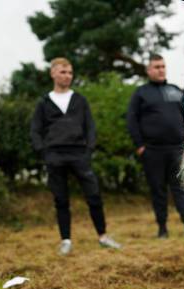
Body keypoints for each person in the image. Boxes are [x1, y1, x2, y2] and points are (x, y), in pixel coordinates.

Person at [30, 57, 121, 255]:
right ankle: (66, 241)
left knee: (94, 195)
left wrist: (88, 150)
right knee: (61, 200)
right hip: (55, 156)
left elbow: (90, 127)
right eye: (63, 72)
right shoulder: (44, 102)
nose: (67, 76)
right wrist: (44, 152)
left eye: (70, 72)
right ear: (53, 73)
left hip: (79, 154)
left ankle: (103, 237)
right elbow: (35, 131)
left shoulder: (79, 100)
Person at [126, 54, 184, 239]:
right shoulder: (141, 93)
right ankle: (162, 230)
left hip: (177, 149)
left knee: (181, 189)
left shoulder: (176, 90)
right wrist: (140, 145)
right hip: (152, 151)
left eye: (162, 66)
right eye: (156, 67)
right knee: (157, 190)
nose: (161, 70)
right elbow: (131, 120)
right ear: (148, 70)